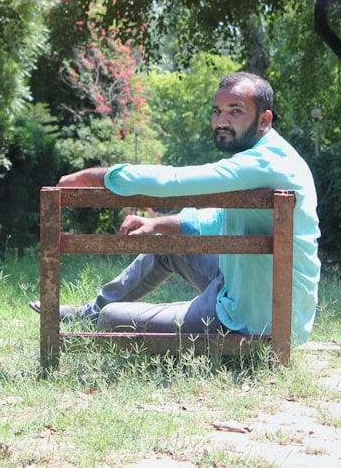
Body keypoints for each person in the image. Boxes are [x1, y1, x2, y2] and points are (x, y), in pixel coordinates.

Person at [31, 72, 321, 345]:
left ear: (264, 119)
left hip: (252, 319)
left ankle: (98, 315)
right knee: (168, 244)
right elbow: (224, 216)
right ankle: (88, 312)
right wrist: (159, 224)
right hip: (251, 294)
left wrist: (96, 177)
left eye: (235, 111)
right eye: (217, 111)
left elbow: (174, 181)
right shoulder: (269, 155)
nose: (222, 120)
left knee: (112, 319)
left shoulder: (263, 162)